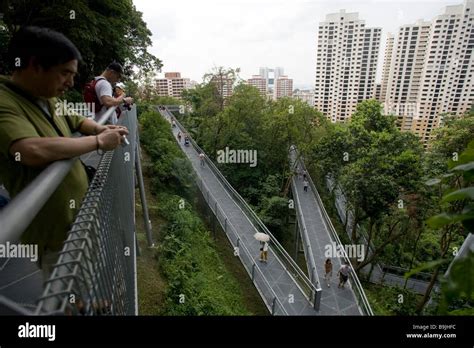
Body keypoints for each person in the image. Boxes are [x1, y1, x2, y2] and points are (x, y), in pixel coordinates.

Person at [0, 26, 129, 282]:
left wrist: (100, 127)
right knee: (69, 297)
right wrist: (98, 141)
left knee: (89, 285)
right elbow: (30, 150)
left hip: (75, 220)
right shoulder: (5, 102)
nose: (70, 82)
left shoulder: (46, 96)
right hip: (54, 234)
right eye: (65, 73)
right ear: (35, 65)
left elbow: (78, 120)